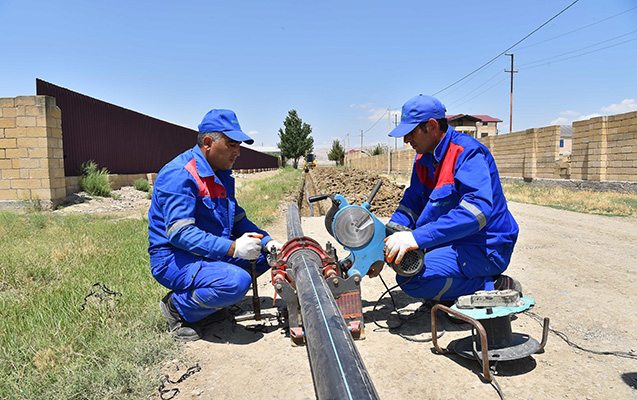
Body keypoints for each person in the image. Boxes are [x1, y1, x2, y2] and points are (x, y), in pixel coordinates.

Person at [147, 109, 282, 342]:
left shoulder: (220, 174)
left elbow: (238, 219)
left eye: (238, 146)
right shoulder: (181, 175)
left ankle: (212, 305)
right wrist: (233, 249)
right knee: (236, 282)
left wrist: (268, 241)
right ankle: (177, 308)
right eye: (231, 145)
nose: (238, 152)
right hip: (174, 258)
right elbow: (180, 233)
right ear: (208, 143)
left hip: (206, 252)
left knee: (264, 256)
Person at [381, 94, 520, 302]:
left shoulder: (467, 153)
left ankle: (494, 284)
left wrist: (416, 237)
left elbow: (477, 212)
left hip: (485, 246)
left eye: (410, 132)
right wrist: (389, 238)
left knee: (412, 280)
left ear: (431, 125)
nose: (406, 139)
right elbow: (412, 204)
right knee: (407, 264)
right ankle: (452, 289)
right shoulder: (423, 159)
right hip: (454, 240)